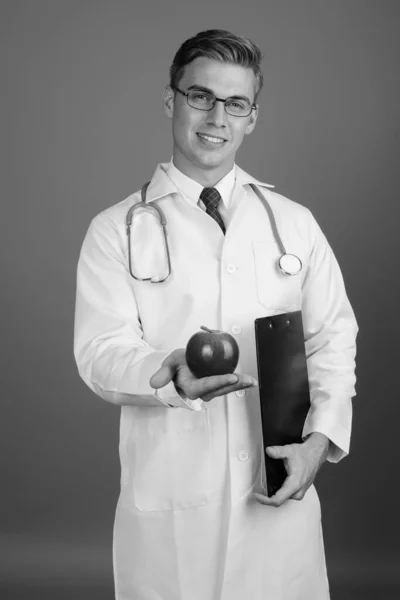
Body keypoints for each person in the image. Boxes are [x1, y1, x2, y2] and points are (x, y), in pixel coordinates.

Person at [74, 29, 358, 600]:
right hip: (173, 501)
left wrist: (319, 441)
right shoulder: (116, 229)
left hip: (276, 492)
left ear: (252, 116)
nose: (216, 117)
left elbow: (333, 337)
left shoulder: (294, 223)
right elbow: (99, 351)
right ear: (170, 101)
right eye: (200, 96)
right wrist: (167, 371)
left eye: (235, 103)